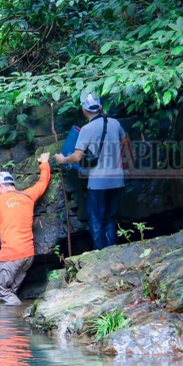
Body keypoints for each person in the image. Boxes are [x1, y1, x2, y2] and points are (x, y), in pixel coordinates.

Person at [54, 94, 126, 250]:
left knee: (96, 218)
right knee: (110, 217)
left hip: (98, 182)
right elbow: (125, 141)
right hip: (117, 179)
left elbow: (77, 156)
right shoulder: (114, 123)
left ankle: (100, 253)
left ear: (84, 110)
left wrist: (63, 159)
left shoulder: (86, 129)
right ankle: (113, 250)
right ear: (100, 108)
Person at [0, 152, 51, 305]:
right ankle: (12, 325)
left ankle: (18, 315)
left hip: (10, 256)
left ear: (1, 186)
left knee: (1, 291)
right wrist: (44, 163)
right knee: (10, 292)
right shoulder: (28, 196)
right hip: (27, 256)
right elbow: (43, 182)